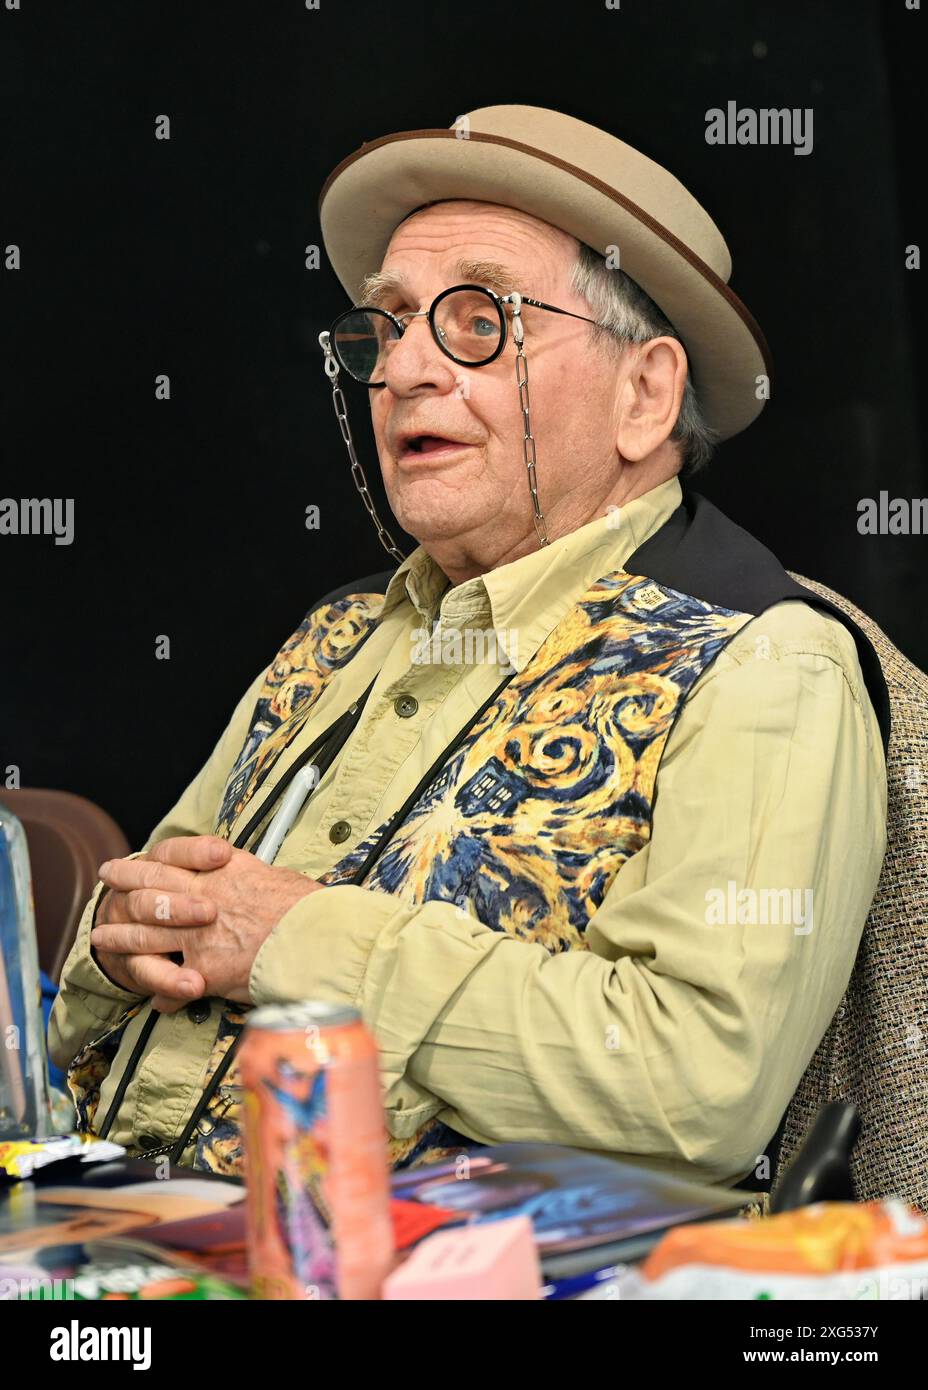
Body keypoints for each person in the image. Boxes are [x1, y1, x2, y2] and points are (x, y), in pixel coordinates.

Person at [49, 104, 888, 1187]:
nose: (401, 371)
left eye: (479, 321)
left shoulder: (763, 664)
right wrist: (129, 933)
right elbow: (97, 959)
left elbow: (695, 1086)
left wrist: (299, 941)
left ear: (646, 393)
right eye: (387, 327)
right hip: (114, 1226)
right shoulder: (337, 634)